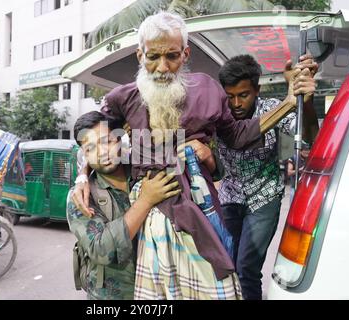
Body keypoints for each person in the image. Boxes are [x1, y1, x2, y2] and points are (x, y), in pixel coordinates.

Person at [72, 11, 308, 300]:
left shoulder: (208, 90)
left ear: (185, 54)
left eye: (171, 56)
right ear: (139, 56)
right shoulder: (123, 98)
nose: (162, 67)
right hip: (151, 216)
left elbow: (236, 136)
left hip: (200, 206)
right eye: (152, 57)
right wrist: (82, 175)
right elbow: (91, 138)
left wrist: (287, 101)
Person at [213, 54, 318, 300]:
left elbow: (309, 139)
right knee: (226, 264)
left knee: (247, 268)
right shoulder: (219, 115)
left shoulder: (273, 109)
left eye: (244, 95)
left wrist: (308, 103)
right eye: (230, 96)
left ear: (257, 90)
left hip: (265, 198)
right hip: (230, 197)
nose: (236, 103)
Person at [67, 111, 181, 300]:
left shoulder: (144, 170)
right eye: (91, 148)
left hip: (162, 289)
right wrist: (145, 200)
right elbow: (101, 250)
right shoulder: (81, 197)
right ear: (84, 154)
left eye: (107, 141)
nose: (102, 152)